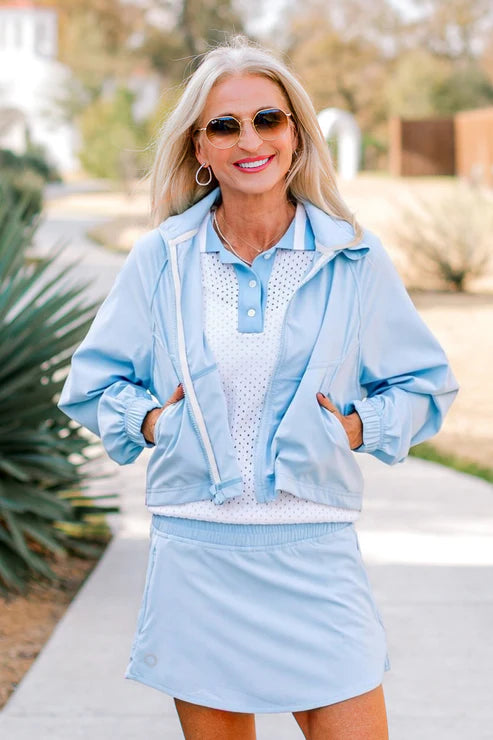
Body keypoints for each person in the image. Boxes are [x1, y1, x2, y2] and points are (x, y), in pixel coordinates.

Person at [57, 35, 459, 740]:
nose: (250, 140)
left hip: (315, 553)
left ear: (295, 135)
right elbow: (91, 384)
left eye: (267, 119)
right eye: (225, 125)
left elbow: (424, 386)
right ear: (199, 149)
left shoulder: (353, 258)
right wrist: (153, 424)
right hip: (197, 556)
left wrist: (355, 428)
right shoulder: (161, 259)